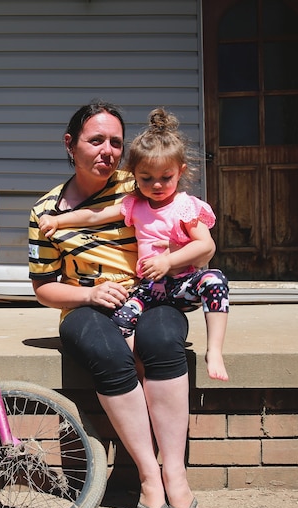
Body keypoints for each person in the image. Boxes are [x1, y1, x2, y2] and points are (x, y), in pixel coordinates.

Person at [28, 100, 209, 508]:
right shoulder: (45, 212)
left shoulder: (144, 182)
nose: (108, 150)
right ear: (71, 145)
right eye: (96, 141)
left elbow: (192, 237)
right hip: (86, 306)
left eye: (115, 142)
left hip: (152, 296)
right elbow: (44, 288)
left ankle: (176, 477)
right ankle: (150, 478)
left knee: (163, 342)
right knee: (108, 353)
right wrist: (90, 293)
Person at [38, 108, 230, 381]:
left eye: (166, 177)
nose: (157, 185)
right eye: (147, 178)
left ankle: (215, 350)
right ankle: (134, 377)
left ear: (180, 172)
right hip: (149, 290)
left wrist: (168, 261)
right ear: (135, 175)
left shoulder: (185, 206)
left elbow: (204, 246)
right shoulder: (135, 203)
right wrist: (60, 221)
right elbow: (95, 215)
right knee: (120, 323)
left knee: (215, 281)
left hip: (181, 284)